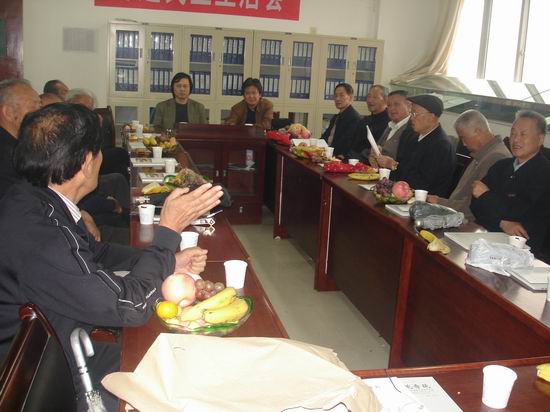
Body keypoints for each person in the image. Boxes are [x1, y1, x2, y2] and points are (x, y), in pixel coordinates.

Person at [0, 103, 224, 411]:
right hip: (47, 382)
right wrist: (168, 232)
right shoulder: (42, 235)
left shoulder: (34, 199)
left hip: (64, 345)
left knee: (179, 355)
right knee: (183, 371)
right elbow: (130, 307)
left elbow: (95, 253)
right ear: (87, 162)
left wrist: (170, 259)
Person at [470, 110, 550, 252]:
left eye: (523, 134)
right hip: (486, 237)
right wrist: (502, 222)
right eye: (513, 133)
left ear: (540, 139)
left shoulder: (545, 173)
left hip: (522, 249)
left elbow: (519, 213)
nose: (516, 139)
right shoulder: (501, 166)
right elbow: (475, 205)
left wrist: (485, 195)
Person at [427, 110, 511, 221]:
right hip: (455, 214)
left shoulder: (496, 157)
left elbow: (477, 204)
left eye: (463, 137)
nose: (463, 143)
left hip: (470, 222)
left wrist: (439, 202)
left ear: (477, 131)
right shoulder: (483, 152)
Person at [390, 94, 455, 197]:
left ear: (432, 116)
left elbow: (422, 184)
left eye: (415, 114)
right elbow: (402, 166)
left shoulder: (441, 145)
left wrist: (394, 166)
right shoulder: (411, 136)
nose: (411, 118)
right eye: (411, 113)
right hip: (403, 192)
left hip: (425, 200)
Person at [0, 79, 41, 197]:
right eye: (34, 108)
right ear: (9, 113)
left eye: (41, 106)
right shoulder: (7, 155)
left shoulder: (21, 146)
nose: (42, 115)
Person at [364, 90, 415, 168]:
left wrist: (392, 165)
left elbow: (409, 166)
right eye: (389, 105)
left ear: (409, 106)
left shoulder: (413, 129)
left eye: (396, 104)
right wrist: (373, 157)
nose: (391, 108)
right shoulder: (390, 125)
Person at [347, 85, 390, 159]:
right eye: (369, 96)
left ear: (386, 100)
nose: (370, 100)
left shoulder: (390, 123)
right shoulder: (363, 121)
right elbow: (353, 145)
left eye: (375, 97)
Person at [320, 83, 361, 157]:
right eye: (336, 96)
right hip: (327, 154)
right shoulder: (336, 117)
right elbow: (325, 137)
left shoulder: (354, 118)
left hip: (338, 157)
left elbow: (345, 145)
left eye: (341, 95)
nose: (337, 99)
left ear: (350, 97)